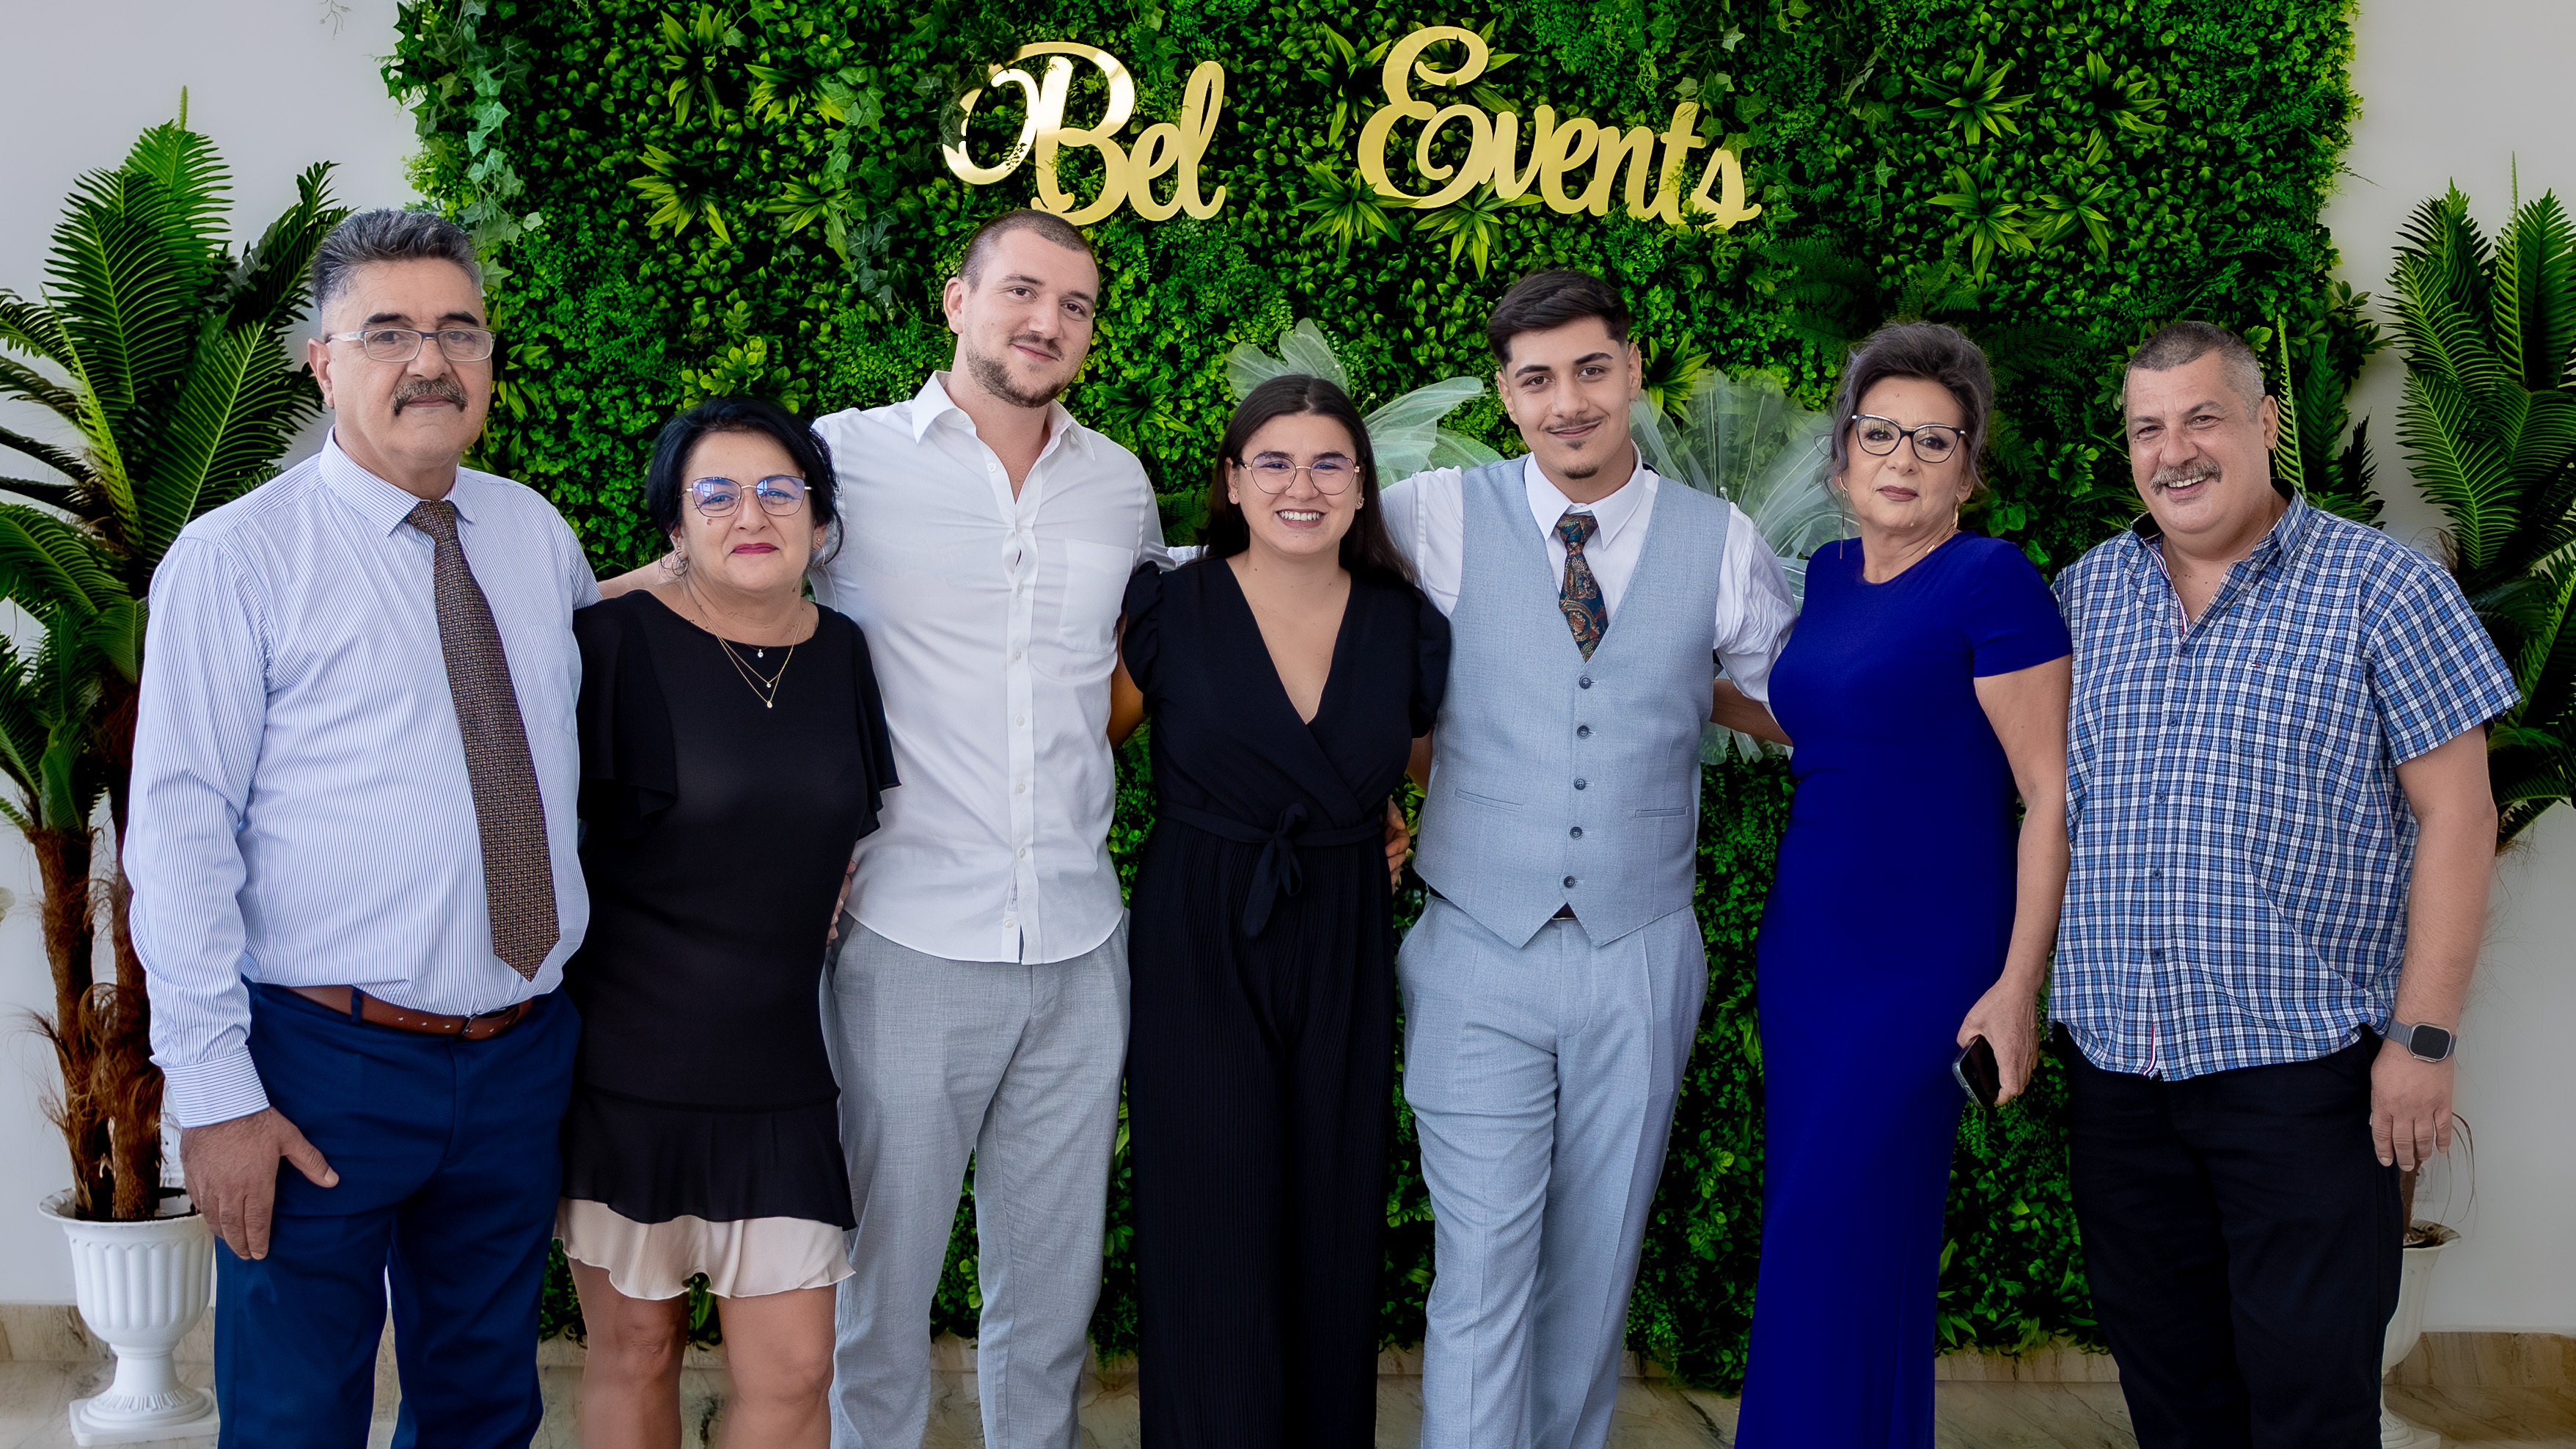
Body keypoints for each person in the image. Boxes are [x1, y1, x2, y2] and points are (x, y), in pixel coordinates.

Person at [125, 209, 596, 1446]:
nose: (429, 360)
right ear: (322, 364)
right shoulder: (236, 560)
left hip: (519, 1057)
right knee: (294, 1417)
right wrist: (214, 1095)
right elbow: (177, 837)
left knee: (484, 1407)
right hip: (318, 1066)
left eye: (458, 330)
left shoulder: (537, 535)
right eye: (387, 332)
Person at [2051, 322, 2518, 1447]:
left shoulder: (2383, 588)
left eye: (2202, 418)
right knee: (2174, 1403)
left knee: (2311, 1408)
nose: (2174, 451)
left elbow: (2461, 817)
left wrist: (2423, 1041)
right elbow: (2031, 796)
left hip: (2304, 1081)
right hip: (2118, 1076)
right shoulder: (2083, 595)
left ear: (2265, 423)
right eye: (2147, 429)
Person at [1382, 269, 1796, 1449]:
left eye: (1590, 370)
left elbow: (1804, 701)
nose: (1567, 402)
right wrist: (1366, 794)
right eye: (1537, 380)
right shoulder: (1431, 515)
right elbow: (1308, 620)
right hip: (1475, 946)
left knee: (1596, 1265)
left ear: (1633, 371)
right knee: (1481, 1265)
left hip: (1640, 947)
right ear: (1506, 395)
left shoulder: (1721, 542)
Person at [1729, 324, 2072, 1447]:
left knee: (1833, 1224)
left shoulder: (1992, 580)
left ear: (1968, 473)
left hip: (1922, 964)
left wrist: (2016, 988)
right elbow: (1822, 722)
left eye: (1935, 441)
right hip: (1808, 953)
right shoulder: (1829, 578)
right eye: (1880, 433)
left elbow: (2049, 792)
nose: (1903, 458)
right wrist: (1664, 688)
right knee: (1825, 1229)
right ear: (1842, 457)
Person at [1109, 375, 1448, 1447]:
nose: (1303, 485)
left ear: (1362, 487)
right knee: (1208, 1211)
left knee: (1333, 1209)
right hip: (1200, 923)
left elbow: (1431, 770)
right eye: (1275, 462)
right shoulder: (1170, 608)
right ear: (1233, 482)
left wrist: (1387, 822)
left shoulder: (1406, 624)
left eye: (1329, 463)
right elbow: (1078, 752)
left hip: (1344, 923)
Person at [560, 397, 897, 1449]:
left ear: (819, 519)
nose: (752, 515)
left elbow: (843, 829)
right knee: (637, 1351)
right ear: (675, 524)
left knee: (796, 1376)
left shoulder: (842, 653)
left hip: (780, 1075)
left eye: (779, 491)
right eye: (715, 495)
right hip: (629, 1071)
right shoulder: (612, 643)